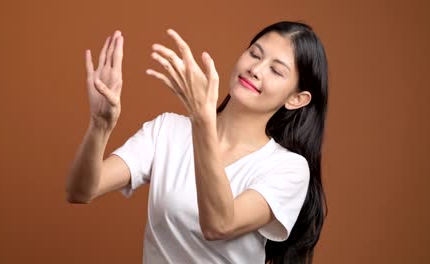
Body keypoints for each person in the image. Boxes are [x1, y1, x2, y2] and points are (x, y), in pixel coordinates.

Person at [66, 21, 328, 264]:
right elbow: (80, 191)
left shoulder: (288, 168)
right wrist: (100, 125)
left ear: (296, 99)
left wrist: (202, 120)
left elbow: (219, 225)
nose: (255, 69)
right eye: (255, 54)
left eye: (276, 70)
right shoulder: (168, 129)